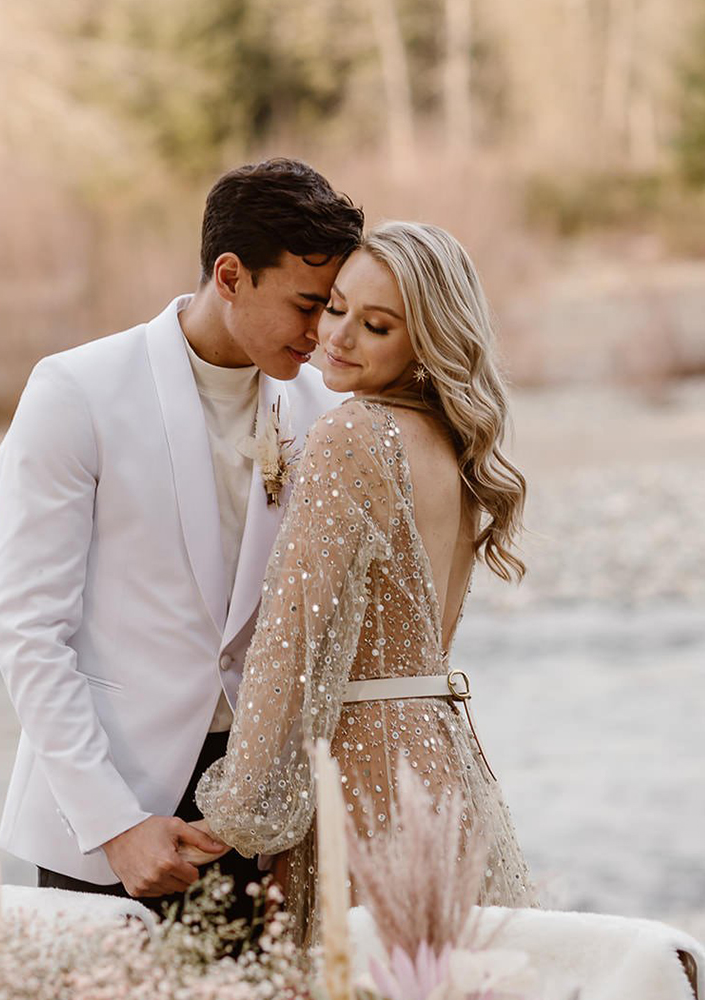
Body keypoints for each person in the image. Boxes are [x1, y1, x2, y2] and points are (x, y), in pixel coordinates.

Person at [0, 158, 363, 922]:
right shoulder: (76, 391)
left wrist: (300, 816)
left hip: (264, 819)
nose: (321, 333)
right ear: (230, 276)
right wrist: (114, 824)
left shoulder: (328, 412)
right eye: (306, 304)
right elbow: (27, 628)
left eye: (333, 307)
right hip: (104, 807)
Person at [194, 221, 538, 940]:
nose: (337, 337)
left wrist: (237, 817)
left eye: (375, 326)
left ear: (426, 342)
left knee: (356, 973)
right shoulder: (452, 443)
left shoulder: (353, 435)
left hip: (362, 770)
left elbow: (288, 642)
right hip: (443, 762)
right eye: (335, 307)